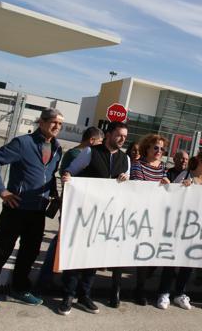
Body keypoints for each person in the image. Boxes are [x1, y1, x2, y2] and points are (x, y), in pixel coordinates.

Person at [0, 108, 63, 314]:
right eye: (53, 122)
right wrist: (2, 191)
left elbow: (49, 175)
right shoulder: (22, 143)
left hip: (38, 210)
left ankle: (19, 288)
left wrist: (53, 194)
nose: (57, 127)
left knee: (30, 252)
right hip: (16, 208)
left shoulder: (57, 148)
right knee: (1, 251)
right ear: (41, 122)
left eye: (60, 124)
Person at [60, 121, 130, 314]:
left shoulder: (125, 159)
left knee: (93, 257)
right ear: (108, 135)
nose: (123, 139)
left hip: (106, 217)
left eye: (125, 136)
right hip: (84, 214)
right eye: (119, 135)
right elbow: (70, 172)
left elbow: (129, 187)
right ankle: (68, 295)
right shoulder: (91, 152)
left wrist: (126, 179)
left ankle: (84, 296)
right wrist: (67, 177)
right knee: (77, 255)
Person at [157, 149, 202, 312]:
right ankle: (164, 292)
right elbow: (171, 195)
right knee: (172, 261)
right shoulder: (186, 175)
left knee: (188, 263)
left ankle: (180, 293)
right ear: (200, 160)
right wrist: (181, 187)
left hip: (198, 229)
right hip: (180, 226)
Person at [38, 126, 104, 289]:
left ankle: (55, 278)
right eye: (100, 142)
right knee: (61, 241)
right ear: (92, 141)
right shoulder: (79, 154)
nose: (101, 145)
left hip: (74, 203)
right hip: (74, 204)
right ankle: (47, 279)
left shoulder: (73, 152)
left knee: (64, 240)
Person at [125, 134, 172, 308]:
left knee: (155, 255)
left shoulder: (163, 167)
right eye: (156, 148)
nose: (159, 151)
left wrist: (168, 184)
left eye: (162, 148)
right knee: (144, 254)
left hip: (158, 217)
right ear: (147, 149)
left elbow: (166, 193)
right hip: (143, 217)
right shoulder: (138, 165)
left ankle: (141, 283)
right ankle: (140, 289)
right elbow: (139, 188)